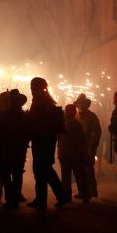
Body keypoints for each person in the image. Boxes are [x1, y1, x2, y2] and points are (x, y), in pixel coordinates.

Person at [27, 77, 68, 210]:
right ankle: (43, 198)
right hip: (47, 141)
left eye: (32, 86)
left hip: (42, 141)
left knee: (42, 170)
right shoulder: (46, 101)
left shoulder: (40, 102)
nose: (31, 89)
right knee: (43, 170)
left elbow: (35, 121)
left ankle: (55, 196)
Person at [0, 89, 30, 209]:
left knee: (5, 173)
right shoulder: (24, 116)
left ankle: (10, 199)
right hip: (19, 149)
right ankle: (14, 198)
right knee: (17, 174)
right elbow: (29, 133)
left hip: (6, 149)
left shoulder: (2, 115)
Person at [58, 104, 90, 203]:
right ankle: (83, 194)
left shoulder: (69, 124)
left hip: (69, 153)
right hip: (73, 153)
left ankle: (68, 195)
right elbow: (83, 139)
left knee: (68, 176)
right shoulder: (74, 124)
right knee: (78, 174)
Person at [74, 93, 101, 198]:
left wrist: (91, 147)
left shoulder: (92, 116)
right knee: (81, 171)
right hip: (79, 148)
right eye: (79, 104)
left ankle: (92, 191)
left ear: (86, 105)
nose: (80, 106)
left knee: (89, 170)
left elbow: (96, 132)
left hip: (88, 147)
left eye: (82, 104)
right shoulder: (77, 115)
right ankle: (84, 192)